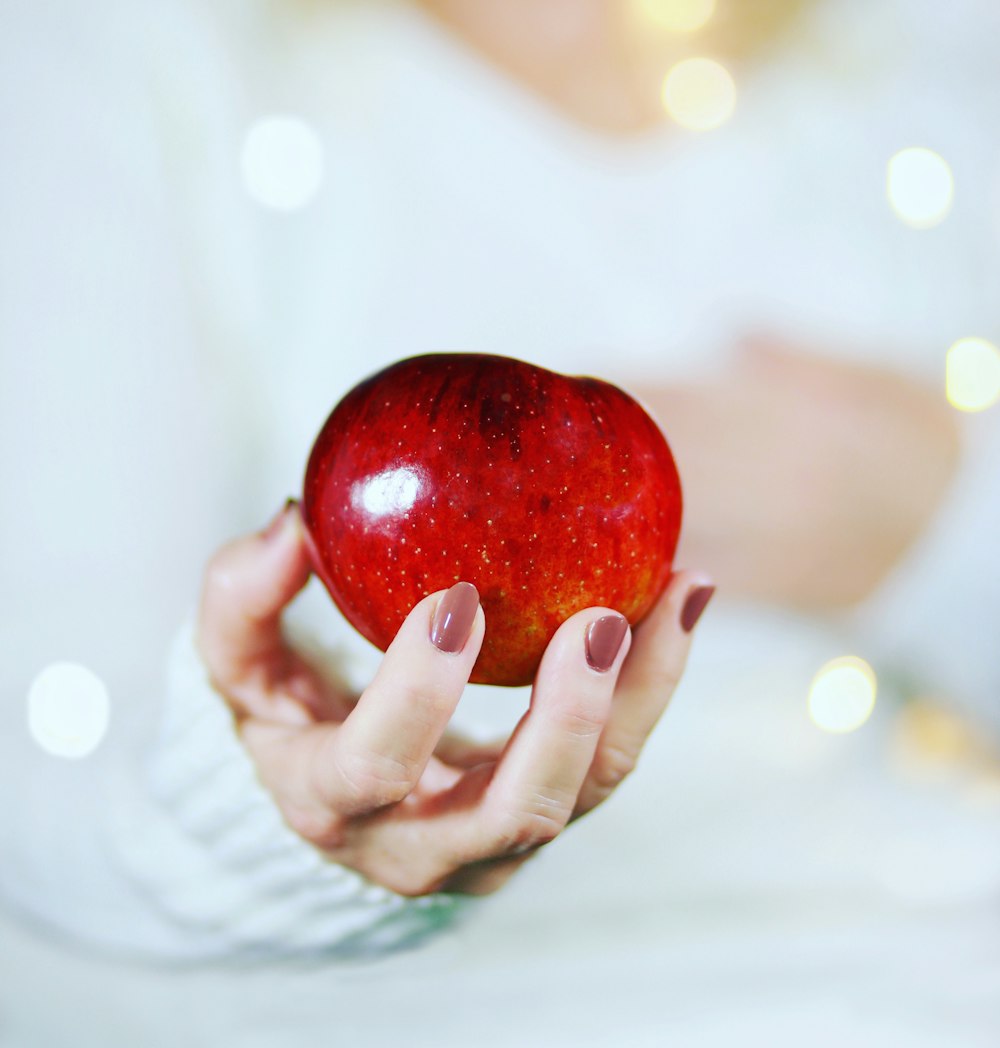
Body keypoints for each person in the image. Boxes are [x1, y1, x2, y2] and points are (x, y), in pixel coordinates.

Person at [1, 0, 998, 1024]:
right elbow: (42, 754)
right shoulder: (145, 55)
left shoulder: (930, 57)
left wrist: (946, 529)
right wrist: (262, 813)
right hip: (382, 1012)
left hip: (917, 950)